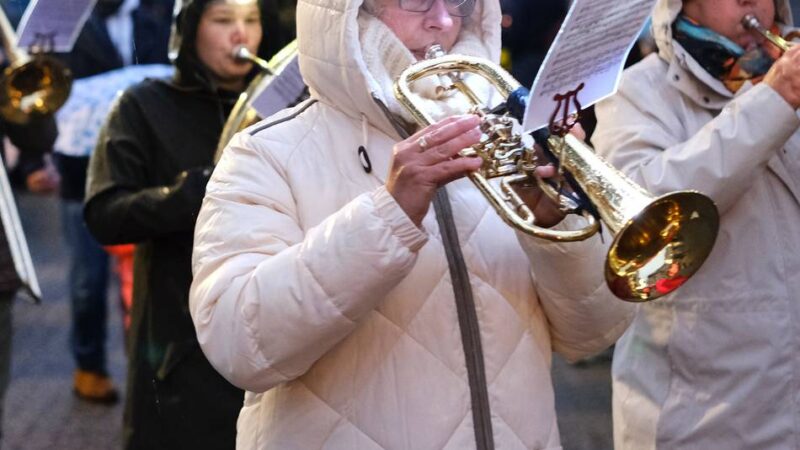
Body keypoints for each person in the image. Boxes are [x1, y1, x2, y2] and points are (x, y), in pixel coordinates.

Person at [189, 0, 634, 448]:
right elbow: (241, 347)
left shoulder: (509, 137)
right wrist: (388, 215)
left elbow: (591, 335)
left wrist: (554, 226)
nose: (442, 21)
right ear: (348, 11)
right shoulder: (264, 151)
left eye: (459, 2)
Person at [592, 0, 800, 448]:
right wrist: (772, 103)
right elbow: (645, 214)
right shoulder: (635, 92)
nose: (750, 1)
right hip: (700, 414)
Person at [83, 0, 265, 447]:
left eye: (251, 20)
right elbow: (105, 213)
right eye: (223, 20)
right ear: (189, 30)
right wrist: (195, 191)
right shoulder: (143, 105)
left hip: (264, 326)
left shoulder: (285, 105)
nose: (241, 34)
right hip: (177, 343)